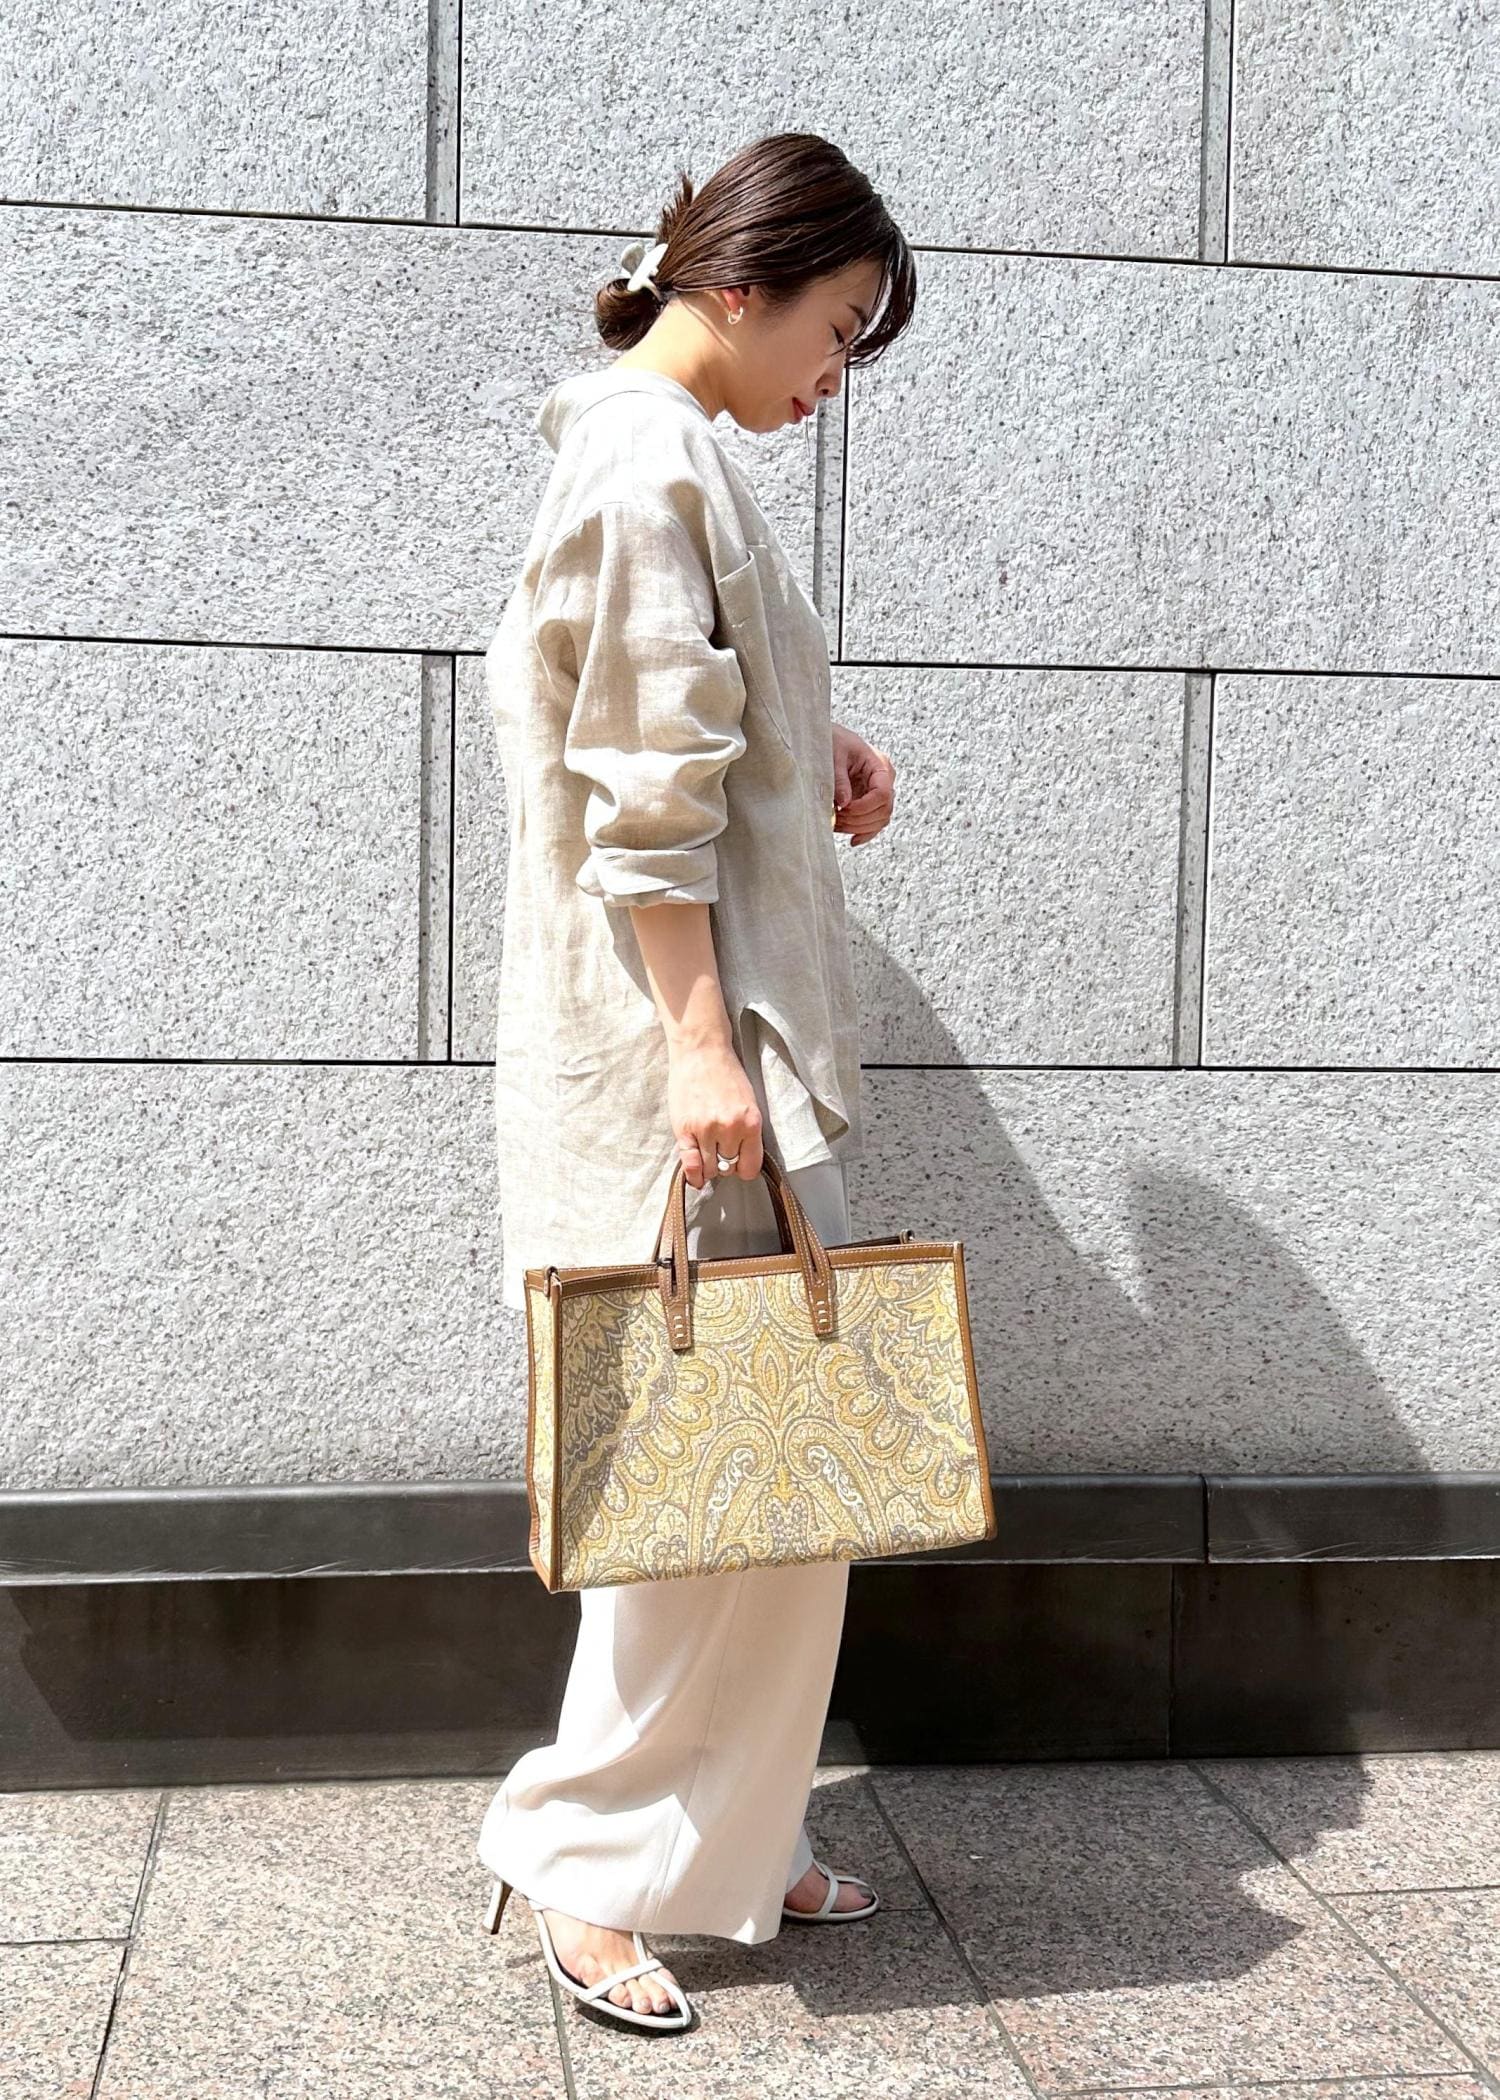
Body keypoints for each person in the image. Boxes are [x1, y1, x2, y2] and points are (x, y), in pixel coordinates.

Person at [475, 130, 914, 2032]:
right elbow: (636, 801)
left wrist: (816, 742)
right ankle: (584, 1862)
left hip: (723, 1054)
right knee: (689, 1483)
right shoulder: (647, 465)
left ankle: (728, 1833)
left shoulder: (669, 459)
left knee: (783, 1474)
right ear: (742, 285)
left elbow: (691, 724)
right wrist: (698, 1048)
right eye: (838, 326)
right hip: (689, 1065)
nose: (837, 373)